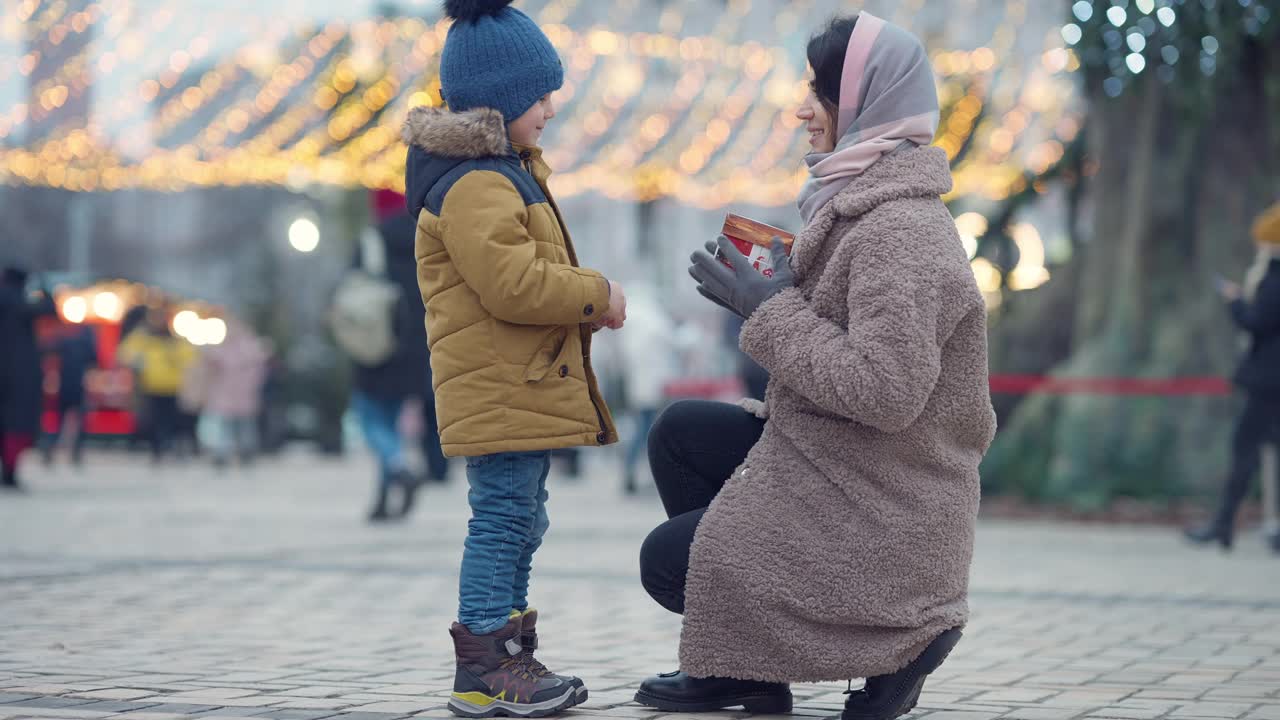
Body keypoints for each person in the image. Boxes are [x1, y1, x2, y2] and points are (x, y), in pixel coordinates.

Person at [636, 14, 997, 720]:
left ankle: (910, 635)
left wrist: (769, 308)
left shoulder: (901, 231)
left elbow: (885, 391)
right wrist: (773, 288)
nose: (804, 107)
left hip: (888, 506)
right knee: (679, 433)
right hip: (850, 466)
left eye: (820, 91)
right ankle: (743, 666)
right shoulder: (859, 203)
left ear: (865, 103)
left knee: (669, 560)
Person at [403, 1, 627, 715]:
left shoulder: (502, 172)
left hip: (516, 385)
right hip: (498, 389)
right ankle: (483, 671)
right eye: (541, 94)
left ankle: (513, 659)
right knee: (503, 518)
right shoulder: (476, 183)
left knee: (523, 519)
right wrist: (597, 295)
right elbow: (515, 284)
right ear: (499, 99)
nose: (552, 108)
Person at [1186, 201, 1280, 553]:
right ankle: (1226, 523)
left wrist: (1234, 302)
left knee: (1245, 451)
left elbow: (1258, 323)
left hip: (1269, 383)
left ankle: (1224, 522)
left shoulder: (1274, 277)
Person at [347, 189, 436, 522]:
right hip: (415, 345)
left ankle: (399, 467)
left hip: (376, 343)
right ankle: (384, 499)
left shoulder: (373, 240)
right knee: (392, 421)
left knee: (368, 416)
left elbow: (351, 288)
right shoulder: (426, 237)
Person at [618, 284, 679, 494]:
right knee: (648, 431)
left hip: (639, 386)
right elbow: (672, 342)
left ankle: (632, 473)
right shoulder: (653, 325)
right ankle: (646, 473)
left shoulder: (631, 327)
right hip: (652, 386)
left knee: (641, 430)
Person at [0, 266, 56, 491]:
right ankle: (9, 474)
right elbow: (50, 308)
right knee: (15, 427)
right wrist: (44, 286)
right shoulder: (20, 304)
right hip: (18, 375)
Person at [117, 308, 198, 463]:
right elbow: (124, 353)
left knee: (174, 420)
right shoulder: (144, 338)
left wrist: (179, 363)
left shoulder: (176, 340)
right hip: (151, 386)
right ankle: (157, 450)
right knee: (154, 420)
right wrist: (138, 362)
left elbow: (191, 357)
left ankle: (173, 448)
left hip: (173, 387)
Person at [198, 318, 269, 469]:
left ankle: (243, 451)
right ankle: (224, 452)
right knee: (228, 426)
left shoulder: (249, 347)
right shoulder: (228, 347)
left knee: (242, 426)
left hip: (240, 394)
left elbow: (258, 371)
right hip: (226, 395)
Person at [41, 322, 99, 467]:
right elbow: (94, 360)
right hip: (78, 386)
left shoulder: (63, 342)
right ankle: (76, 453)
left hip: (65, 386)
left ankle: (51, 448)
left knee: (61, 422)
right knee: (80, 421)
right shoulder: (86, 344)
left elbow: (48, 351)